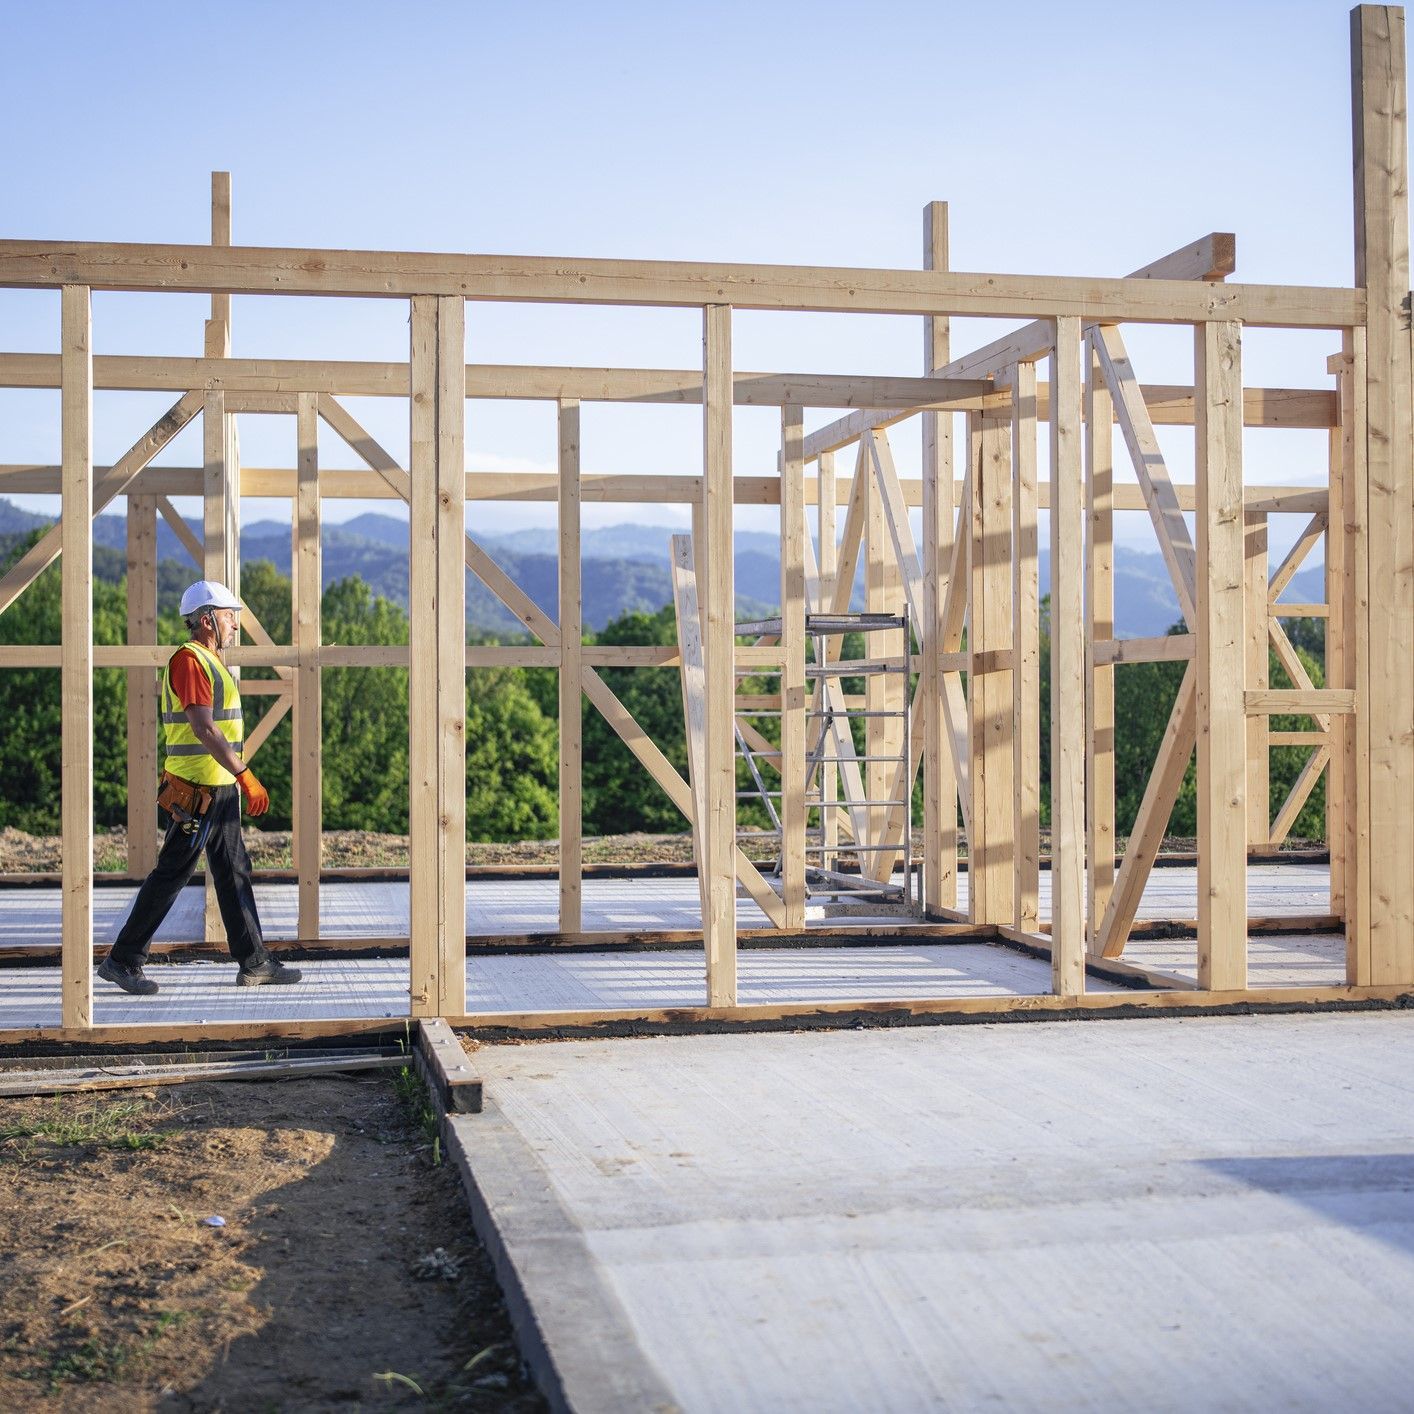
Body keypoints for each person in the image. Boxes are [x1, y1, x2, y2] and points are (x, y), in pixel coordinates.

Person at [96, 580, 301, 995]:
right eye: (229, 617)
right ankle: (122, 960)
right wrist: (245, 773)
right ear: (207, 619)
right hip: (197, 792)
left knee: (233, 871)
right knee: (172, 874)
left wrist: (235, 779)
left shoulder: (209, 660)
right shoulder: (189, 661)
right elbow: (204, 728)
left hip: (217, 789)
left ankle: (254, 961)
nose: (235, 626)